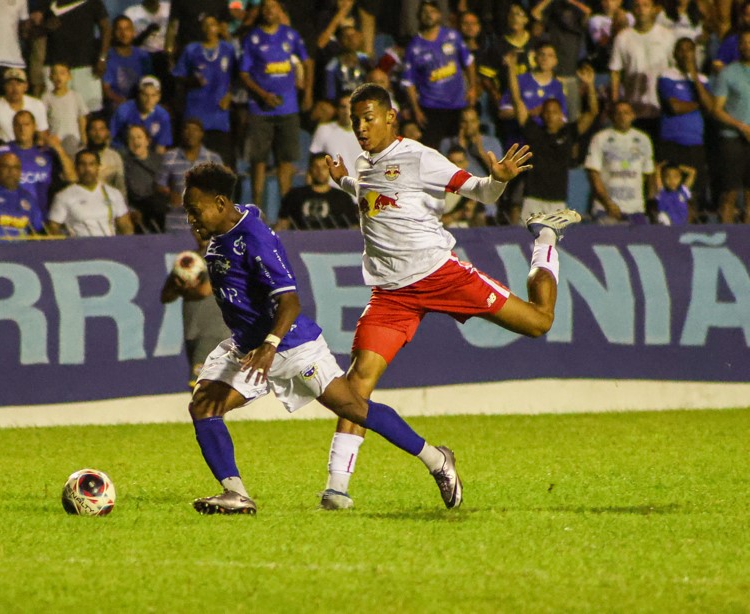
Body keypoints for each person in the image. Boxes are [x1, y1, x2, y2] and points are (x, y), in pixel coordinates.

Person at [318, 83, 581, 510]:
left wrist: (497, 180)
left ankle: (546, 235)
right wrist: (343, 180)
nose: (361, 128)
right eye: (355, 121)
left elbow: (479, 191)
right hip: (391, 294)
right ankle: (337, 490)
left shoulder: (419, 157)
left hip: (440, 275)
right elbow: (371, 192)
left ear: (390, 118)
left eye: (369, 118)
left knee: (539, 322)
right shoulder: (365, 163)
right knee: (356, 385)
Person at [182, 161, 463, 515]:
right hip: (247, 346)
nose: (191, 219)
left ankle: (437, 459)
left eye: (195, 210)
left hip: (290, 345)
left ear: (221, 203)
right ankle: (235, 493)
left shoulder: (253, 238)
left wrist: (270, 345)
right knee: (205, 405)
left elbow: (289, 300)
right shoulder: (228, 229)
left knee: (353, 408)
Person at [506, 55, 600, 220]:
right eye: (546, 112)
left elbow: (592, 112)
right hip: (532, 199)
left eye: (554, 112)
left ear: (561, 115)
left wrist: (590, 84)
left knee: (553, 245)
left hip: (558, 201)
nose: (550, 116)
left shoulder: (569, 132)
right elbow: (517, 100)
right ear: (541, 115)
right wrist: (511, 69)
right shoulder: (534, 131)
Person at [240, 0, 313, 209]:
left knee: (286, 159)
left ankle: (285, 209)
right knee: (258, 159)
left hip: (288, 107)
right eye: (265, 7)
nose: (269, 11)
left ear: (281, 11)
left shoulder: (291, 35)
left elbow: (306, 62)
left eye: (273, 7)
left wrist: (307, 92)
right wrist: (262, 94)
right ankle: (256, 207)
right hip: (259, 108)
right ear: (261, 12)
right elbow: (244, 73)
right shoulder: (252, 38)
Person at [402, 0, 477, 147]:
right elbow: (408, 82)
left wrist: (473, 88)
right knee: (433, 150)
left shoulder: (453, 36)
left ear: (439, 14)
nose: (429, 15)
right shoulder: (414, 46)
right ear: (419, 17)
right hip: (431, 108)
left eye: (432, 12)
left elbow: (469, 62)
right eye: (424, 13)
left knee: (458, 147)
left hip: (458, 103)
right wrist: (416, 109)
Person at [160, 233, 230, 388]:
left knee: (200, 384)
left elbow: (204, 291)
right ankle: (215, 412)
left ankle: (210, 413)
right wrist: (179, 285)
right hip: (192, 332)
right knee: (209, 385)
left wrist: (183, 290)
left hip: (214, 331)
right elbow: (165, 296)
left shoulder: (221, 258)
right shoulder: (186, 262)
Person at [656, 37, 715, 216]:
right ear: (675, 54)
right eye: (681, 50)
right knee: (667, 192)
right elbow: (674, 107)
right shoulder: (667, 76)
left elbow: (710, 106)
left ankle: (688, 233)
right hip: (671, 141)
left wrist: (694, 75)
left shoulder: (702, 79)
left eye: (690, 49)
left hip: (694, 142)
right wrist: (699, 105)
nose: (686, 53)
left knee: (692, 194)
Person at [0, 110, 76, 216]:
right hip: (9, 215)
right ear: (13, 128)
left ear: (34, 127)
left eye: (26, 124)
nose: (22, 129)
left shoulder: (47, 154)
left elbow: (72, 178)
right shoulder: (1, 153)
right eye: (18, 125)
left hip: (40, 216)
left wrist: (58, 148)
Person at [171, 14, 237, 168]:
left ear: (219, 28)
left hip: (219, 116)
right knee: (194, 164)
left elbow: (239, 75)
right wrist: (191, 81)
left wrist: (230, 94)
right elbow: (178, 76)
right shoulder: (191, 50)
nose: (209, 29)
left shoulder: (228, 49)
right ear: (201, 29)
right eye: (205, 25)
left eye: (212, 24)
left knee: (221, 164)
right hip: (195, 115)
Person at [608, 0, 676, 141]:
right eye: (637, 6)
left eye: (645, 5)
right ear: (633, 10)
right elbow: (615, 72)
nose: (641, 9)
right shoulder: (622, 38)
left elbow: (674, 69)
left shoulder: (667, 36)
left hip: (661, 108)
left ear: (654, 9)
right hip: (634, 110)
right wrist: (615, 103)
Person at [585, 100, 656, 224]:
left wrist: (651, 204)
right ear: (612, 116)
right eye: (618, 113)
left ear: (633, 115)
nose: (622, 116)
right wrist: (607, 203)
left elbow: (649, 175)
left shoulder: (643, 139)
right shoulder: (600, 138)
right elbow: (593, 174)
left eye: (626, 113)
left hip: (635, 208)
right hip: (606, 208)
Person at [41, 0, 111, 114]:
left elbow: (106, 28)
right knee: (56, 111)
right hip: (56, 66)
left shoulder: (93, 2)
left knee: (89, 111)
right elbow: (32, 32)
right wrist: (44, 27)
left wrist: (102, 58)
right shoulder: (49, 3)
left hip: (85, 65)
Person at [157, 118, 224, 233]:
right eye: (187, 129)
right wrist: (169, 193)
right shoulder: (170, 157)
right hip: (175, 222)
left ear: (202, 134)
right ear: (181, 133)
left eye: (195, 130)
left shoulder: (213, 159)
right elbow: (158, 185)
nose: (191, 133)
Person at [47, 149, 134, 236]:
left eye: (91, 164)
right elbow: (53, 227)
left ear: (98, 167)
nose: (87, 169)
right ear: (76, 167)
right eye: (83, 164)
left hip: (109, 247)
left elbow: (125, 226)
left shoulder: (114, 193)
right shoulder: (63, 196)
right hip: (80, 248)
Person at [711, 29, 750, 223]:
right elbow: (716, 109)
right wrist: (741, 126)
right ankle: (725, 239)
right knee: (730, 193)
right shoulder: (728, 73)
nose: (747, 46)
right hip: (732, 138)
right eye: (743, 42)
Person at [274, 151, 358, 230]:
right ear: (310, 169)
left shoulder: (343, 198)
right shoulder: (294, 195)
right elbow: (282, 225)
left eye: (324, 167)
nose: (320, 171)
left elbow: (354, 228)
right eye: (316, 167)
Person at [0, 68, 49, 144]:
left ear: (25, 86)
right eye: (10, 84)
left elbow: (42, 137)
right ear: (4, 86)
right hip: (4, 150)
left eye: (18, 84)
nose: (15, 88)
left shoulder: (37, 105)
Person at [309, 94, 363, 188]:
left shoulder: (368, 133)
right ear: (337, 110)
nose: (347, 111)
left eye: (351, 107)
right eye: (343, 107)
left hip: (359, 195)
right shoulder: (323, 130)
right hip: (332, 194)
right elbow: (313, 165)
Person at [109, 76, 173, 153]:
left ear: (158, 97)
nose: (149, 100)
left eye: (153, 95)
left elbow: (160, 147)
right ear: (139, 95)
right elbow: (110, 137)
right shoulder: (124, 110)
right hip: (123, 151)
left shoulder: (163, 116)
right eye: (145, 95)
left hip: (148, 155)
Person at [103, 16, 153, 113]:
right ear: (113, 33)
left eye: (127, 29)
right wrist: (123, 102)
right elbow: (106, 90)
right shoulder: (108, 57)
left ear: (133, 32)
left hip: (141, 102)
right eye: (119, 30)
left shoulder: (142, 55)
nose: (123, 34)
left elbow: (150, 82)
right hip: (117, 105)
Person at [123, 124, 166, 232]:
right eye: (131, 138)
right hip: (139, 206)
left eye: (139, 137)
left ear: (147, 141)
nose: (135, 141)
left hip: (162, 204)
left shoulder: (160, 160)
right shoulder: (124, 164)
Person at [43, 63, 89, 157]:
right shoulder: (46, 97)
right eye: (55, 73)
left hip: (74, 140)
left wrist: (83, 137)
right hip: (55, 141)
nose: (58, 77)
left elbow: (81, 118)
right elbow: (43, 120)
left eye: (62, 73)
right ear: (50, 77)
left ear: (69, 77)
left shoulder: (76, 96)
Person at [86, 117, 127, 201]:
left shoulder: (114, 156)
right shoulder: (79, 155)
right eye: (94, 129)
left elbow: (120, 186)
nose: (97, 134)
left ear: (107, 132)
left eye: (101, 129)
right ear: (88, 133)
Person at [651, 160, 694, 225]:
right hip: (667, 228)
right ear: (663, 179)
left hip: (682, 226)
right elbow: (658, 178)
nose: (672, 180)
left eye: (675, 176)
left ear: (680, 178)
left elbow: (692, 172)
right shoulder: (662, 193)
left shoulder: (683, 191)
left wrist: (679, 167)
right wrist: (658, 169)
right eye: (668, 177)